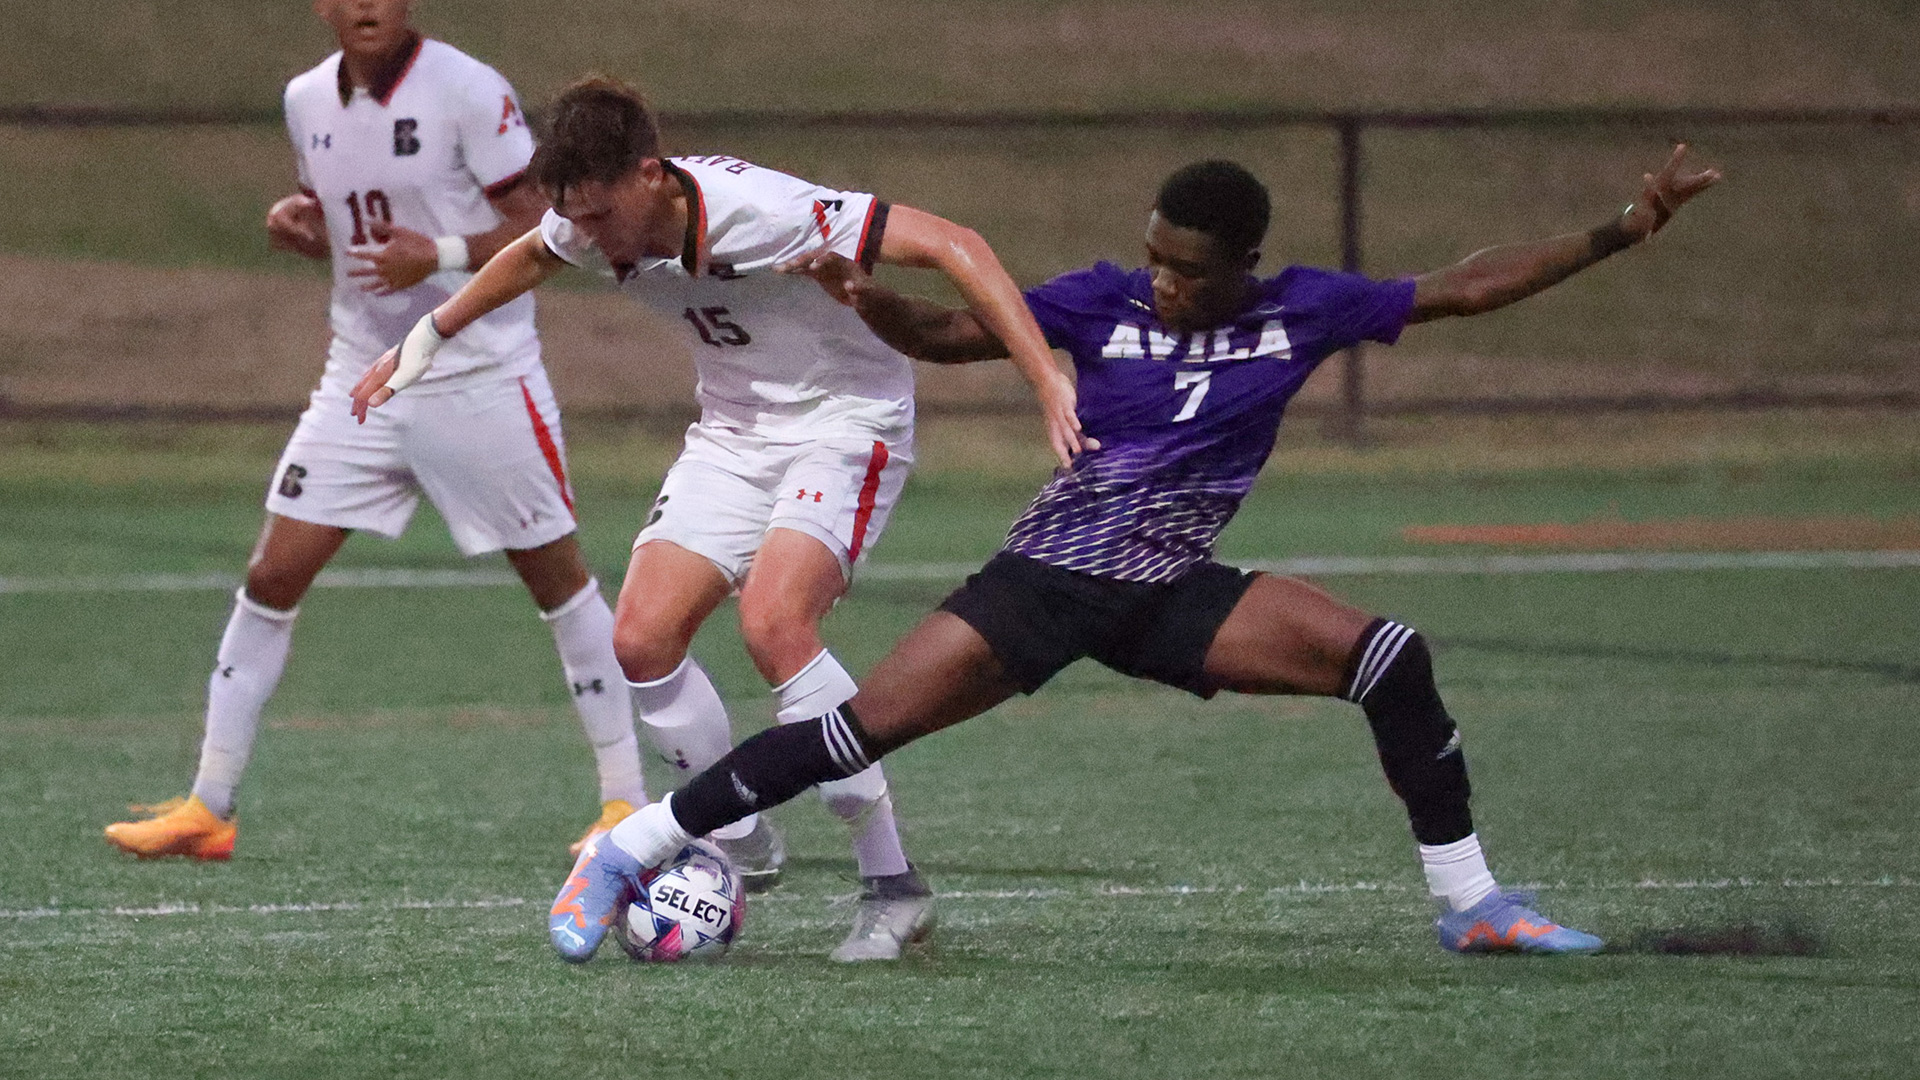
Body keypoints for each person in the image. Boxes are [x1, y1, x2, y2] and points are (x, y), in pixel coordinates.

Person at [564, 145, 1722, 958]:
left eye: (1184, 268)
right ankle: (646, 846)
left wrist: (1620, 232)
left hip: (1170, 595)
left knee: (1389, 658)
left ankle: (1470, 902)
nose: (1160, 279)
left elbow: (1465, 290)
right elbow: (953, 336)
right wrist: (868, 301)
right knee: (852, 729)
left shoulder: (1302, 312)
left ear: (1241, 267)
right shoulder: (1098, 303)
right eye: (1153, 256)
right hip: (1042, 588)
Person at [349, 76, 1088, 961]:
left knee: (776, 624)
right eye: (575, 217)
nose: (587, 237)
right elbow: (531, 256)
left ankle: (893, 888)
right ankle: (740, 839)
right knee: (640, 639)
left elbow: (956, 244)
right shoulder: (592, 223)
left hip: (844, 425)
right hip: (733, 436)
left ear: (652, 177)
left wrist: (1046, 377)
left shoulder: (765, 211)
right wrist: (422, 341)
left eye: (599, 216)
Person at [105, 0, 648, 861]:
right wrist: (304, 220)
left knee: (558, 581)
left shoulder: (468, 90)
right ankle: (210, 807)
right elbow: (347, 207)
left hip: (479, 374)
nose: (364, 5)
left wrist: (435, 256)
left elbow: (549, 231)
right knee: (271, 575)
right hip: (361, 373)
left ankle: (625, 803)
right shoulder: (306, 99)